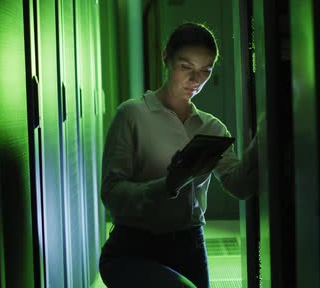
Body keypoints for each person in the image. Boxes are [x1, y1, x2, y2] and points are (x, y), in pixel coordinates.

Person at [98, 22, 258, 288]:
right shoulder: (132, 115)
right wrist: (168, 185)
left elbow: (238, 186)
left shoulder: (211, 127)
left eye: (205, 71)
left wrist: (262, 139)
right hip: (133, 247)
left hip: (189, 245)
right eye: (186, 68)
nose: (195, 81)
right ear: (166, 58)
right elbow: (112, 193)